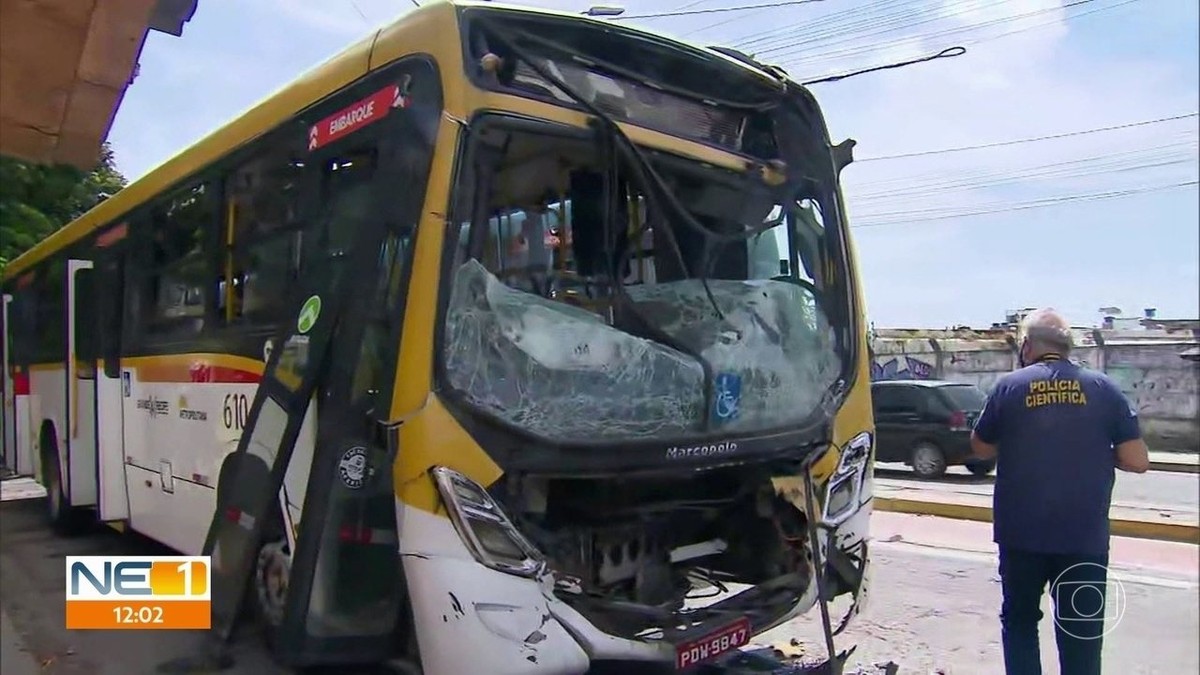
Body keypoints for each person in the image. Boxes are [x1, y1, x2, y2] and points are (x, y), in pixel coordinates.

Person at [970, 308, 1150, 675]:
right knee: (1081, 633)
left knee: (1020, 622)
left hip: (1021, 536)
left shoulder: (1009, 387)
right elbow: (1137, 460)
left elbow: (981, 449)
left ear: (1028, 346)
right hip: (1083, 537)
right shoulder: (1104, 388)